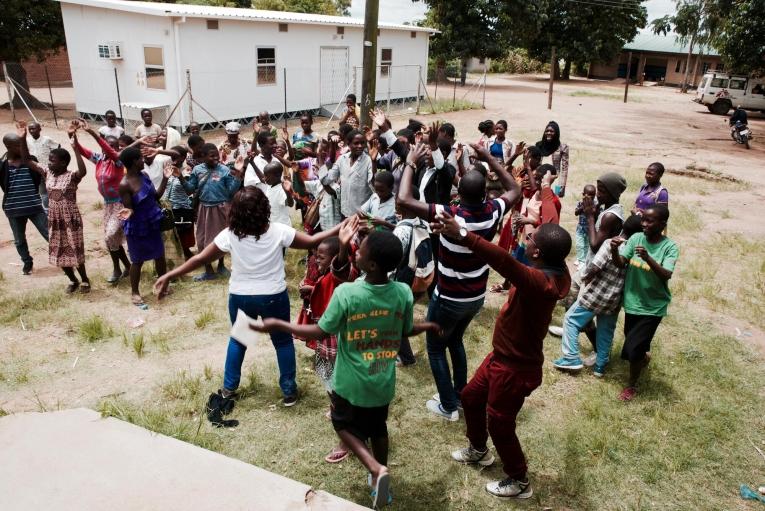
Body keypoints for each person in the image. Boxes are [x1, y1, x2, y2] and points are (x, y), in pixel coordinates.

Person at [250, 229, 438, 509]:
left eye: (359, 251)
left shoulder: (347, 293)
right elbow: (405, 329)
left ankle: (375, 468)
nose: (355, 252)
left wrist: (279, 324)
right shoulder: (401, 292)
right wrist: (427, 326)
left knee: (342, 424)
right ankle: (379, 480)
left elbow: (320, 330)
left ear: (371, 264)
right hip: (382, 379)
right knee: (378, 428)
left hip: (349, 382)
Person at [154, 186, 346, 412]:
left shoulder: (229, 235)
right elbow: (314, 240)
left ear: (235, 211)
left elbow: (199, 259)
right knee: (282, 342)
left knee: (239, 340)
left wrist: (169, 274)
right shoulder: (279, 231)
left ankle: (228, 388)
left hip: (241, 297)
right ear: (264, 209)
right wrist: (343, 225)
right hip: (273, 296)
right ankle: (288, 391)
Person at [432, 210, 571, 500]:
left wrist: (463, 234)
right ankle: (479, 450)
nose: (528, 238)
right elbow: (531, 255)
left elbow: (505, 262)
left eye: (531, 239)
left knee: (500, 423)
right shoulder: (555, 268)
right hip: (501, 358)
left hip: (514, 369)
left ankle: (519, 479)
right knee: (470, 397)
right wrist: (530, 227)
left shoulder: (539, 283)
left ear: (536, 254)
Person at [398, 141, 520, 421]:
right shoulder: (493, 211)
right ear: (484, 194)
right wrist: (488, 157)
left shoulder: (451, 215)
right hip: (475, 297)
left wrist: (410, 162)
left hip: (450, 298)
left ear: (458, 194)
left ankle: (448, 406)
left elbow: (404, 200)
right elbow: (514, 189)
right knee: (455, 341)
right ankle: (461, 395)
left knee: (436, 347)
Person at [296, 220, 360, 464]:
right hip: (327, 343)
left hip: (338, 342)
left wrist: (343, 248)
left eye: (322, 257)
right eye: (316, 256)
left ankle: (347, 438)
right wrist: (312, 292)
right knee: (328, 379)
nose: (317, 261)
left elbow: (341, 270)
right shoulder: (324, 277)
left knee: (341, 387)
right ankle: (336, 404)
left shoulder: (341, 275)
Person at [553, 215, 642, 375]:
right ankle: (600, 366)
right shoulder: (635, 252)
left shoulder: (610, 243)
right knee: (605, 331)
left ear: (623, 228)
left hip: (596, 295)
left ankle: (570, 357)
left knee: (571, 320)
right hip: (614, 300)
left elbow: (595, 267)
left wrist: (585, 277)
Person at [610, 205, 678, 401]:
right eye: (643, 220)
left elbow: (667, 273)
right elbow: (621, 263)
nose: (644, 224)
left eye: (650, 221)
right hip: (632, 301)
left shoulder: (669, 247)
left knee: (633, 348)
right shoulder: (636, 238)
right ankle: (643, 358)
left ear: (662, 225)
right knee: (632, 341)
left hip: (654, 306)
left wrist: (648, 258)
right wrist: (615, 250)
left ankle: (631, 385)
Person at [20, 121, 90, 293]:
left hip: (70, 219)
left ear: (64, 163)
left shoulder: (72, 176)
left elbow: (83, 171)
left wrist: (74, 146)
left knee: (75, 250)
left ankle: (85, 280)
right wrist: (23, 138)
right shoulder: (47, 173)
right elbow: (27, 160)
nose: (50, 163)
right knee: (59, 251)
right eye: (49, 160)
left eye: (53, 161)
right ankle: (72, 280)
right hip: (54, 219)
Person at [76, 120, 132, 282]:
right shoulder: (99, 159)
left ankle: (123, 267)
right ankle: (121, 268)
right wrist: (72, 136)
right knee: (109, 240)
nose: (112, 149)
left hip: (120, 203)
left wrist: (92, 133)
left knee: (110, 235)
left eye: (115, 146)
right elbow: (82, 151)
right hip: (107, 204)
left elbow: (111, 152)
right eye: (108, 146)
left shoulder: (118, 161)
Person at [117, 146, 170, 308]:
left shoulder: (145, 175)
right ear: (134, 162)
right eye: (140, 158)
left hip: (152, 221)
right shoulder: (124, 184)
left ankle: (162, 284)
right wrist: (127, 213)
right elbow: (129, 209)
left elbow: (156, 196)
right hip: (137, 227)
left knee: (159, 255)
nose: (143, 161)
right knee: (137, 261)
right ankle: (135, 292)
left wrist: (166, 178)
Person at [181, 143, 242, 281]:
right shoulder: (197, 170)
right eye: (212, 156)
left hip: (221, 208)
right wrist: (180, 177)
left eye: (217, 155)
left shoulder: (224, 170)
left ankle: (221, 266)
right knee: (202, 240)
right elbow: (190, 189)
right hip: (204, 209)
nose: (216, 158)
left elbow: (231, 192)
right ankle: (208, 271)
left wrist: (238, 174)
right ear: (203, 157)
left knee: (222, 238)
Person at [1, 125, 49, 275]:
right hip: (14, 209)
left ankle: (64, 257)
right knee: (19, 240)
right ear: (8, 147)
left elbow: (39, 176)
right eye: (18, 145)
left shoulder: (30, 161)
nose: (22, 147)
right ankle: (27, 263)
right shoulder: (2, 165)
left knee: (49, 233)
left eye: (23, 144)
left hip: (35, 207)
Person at [322, 129, 373, 219]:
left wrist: (374, 161)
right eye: (356, 143)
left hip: (362, 215)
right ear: (348, 144)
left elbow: (373, 185)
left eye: (362, 143)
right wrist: (320, 165)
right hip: (345, 213)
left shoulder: (368, 160)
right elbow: (327, 179)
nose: (360, 146)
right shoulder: (342, 159)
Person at [162, 145, 195, 260]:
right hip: (169, 207)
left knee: (182, 232)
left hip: (182, 207)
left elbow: (189, 190)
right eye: (171, 156)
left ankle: (187, 255)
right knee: (173, 234)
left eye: (176, 156)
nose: (173, 159)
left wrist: (180, 176)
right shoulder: (168, 170)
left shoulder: (187, 171)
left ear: (183, 157)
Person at [25, 121, 60, 211]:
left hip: (49, 170)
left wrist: (54, 162)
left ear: (40, 129)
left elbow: (58, 147)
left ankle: (56, 206)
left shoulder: (46, 139)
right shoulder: (27, 141)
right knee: (43, 191)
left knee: (54, 188)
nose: (31, 131)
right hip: (36, 170)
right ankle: (47, 210)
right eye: (30, 129)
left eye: (33, 128)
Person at [536, 121, 569, 197]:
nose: (549, 133)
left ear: (556, 133)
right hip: (540, 178)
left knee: (554, 201)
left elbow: (564, 168)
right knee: (538, 201)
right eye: (547, 131)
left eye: (552, 131)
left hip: (555, 179)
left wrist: (562, 185)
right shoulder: (539, 145)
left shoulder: (563, 147)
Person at [262, 161, 294, 227]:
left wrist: (287, 192)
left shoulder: (281, 189)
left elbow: (290, 204)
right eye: (264, 175)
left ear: (277, 175)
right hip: (273, 224)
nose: (264, 178)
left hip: (282, 226)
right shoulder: (270, 185)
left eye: (267, 176)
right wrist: (252, 163)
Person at [574, 184, 597, 267]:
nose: (591, 197)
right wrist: (583, 207)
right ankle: (580, 258)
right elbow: (576, 213)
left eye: (593, 195)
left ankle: (583, 262)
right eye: (588, 195)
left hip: (590, 230)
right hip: (580, 228)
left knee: (587, 245)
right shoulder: (580, 203)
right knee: (579, 245)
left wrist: (593, 209)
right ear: (583, 194)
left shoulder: (596, 204)